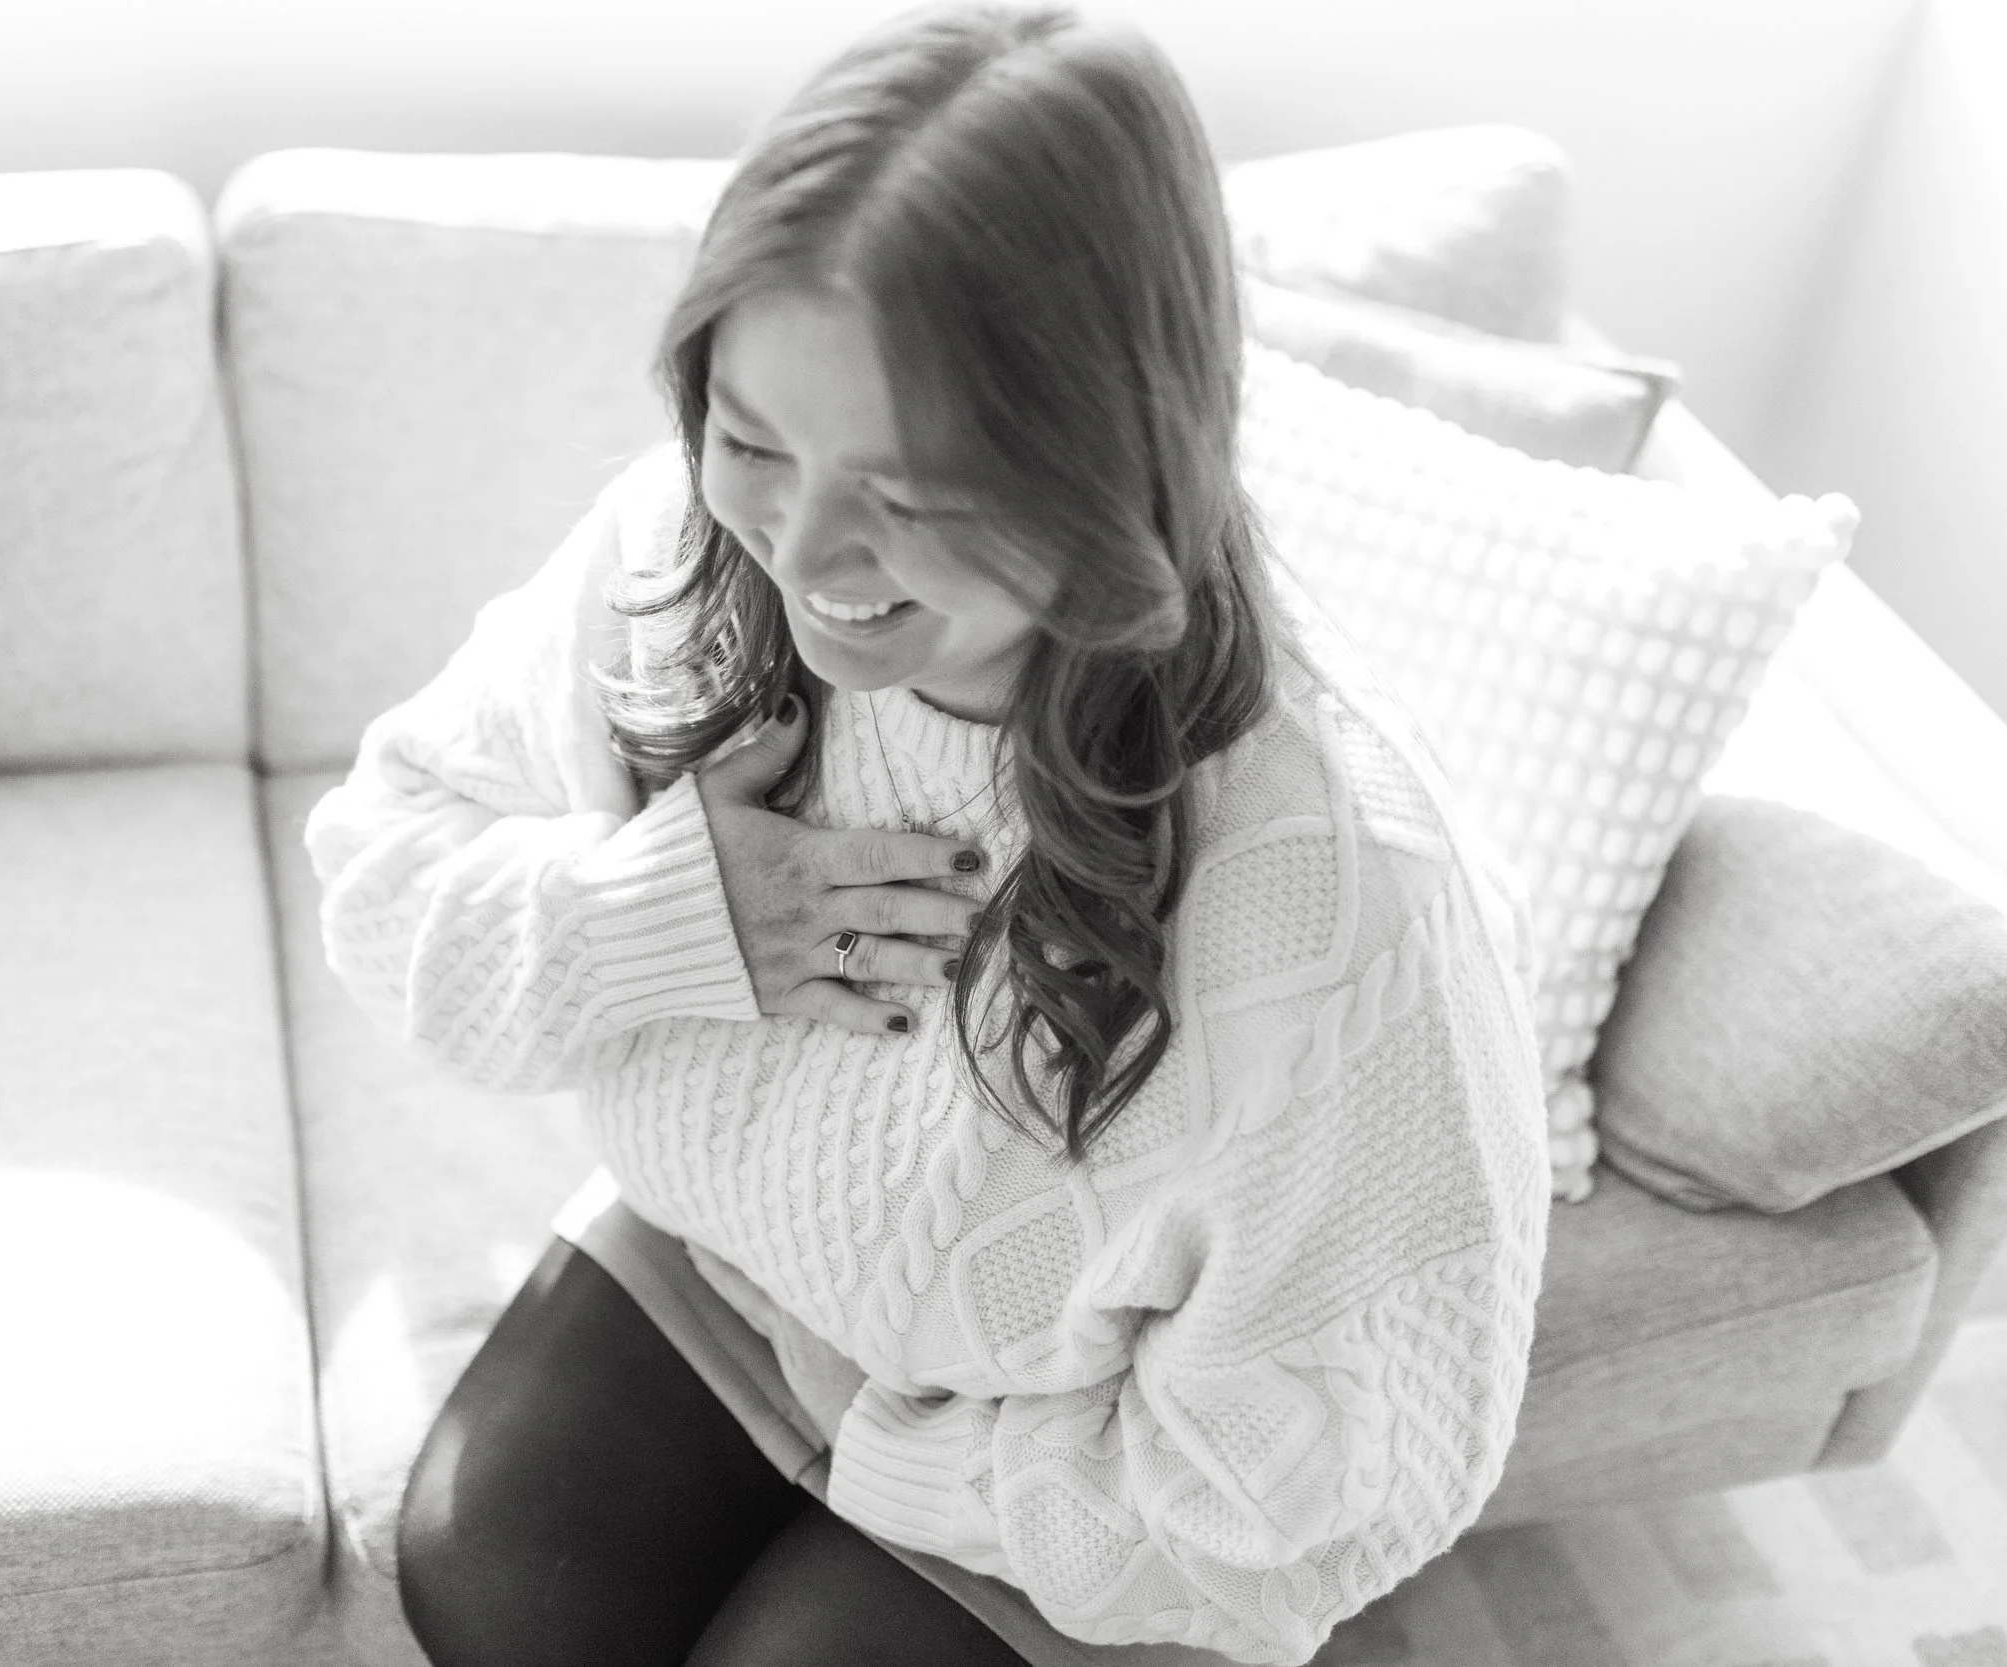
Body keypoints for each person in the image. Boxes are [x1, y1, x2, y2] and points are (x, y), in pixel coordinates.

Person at [304, 5, 1551, 1663]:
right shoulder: (678, 547)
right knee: (489, 1575)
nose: (806, 547)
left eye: (908, 490)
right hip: (743, 1268)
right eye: (753, 438)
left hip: (1058, 1438)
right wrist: (647, 916)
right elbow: (386, 870)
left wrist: (896, 1454)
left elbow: (1332, 1486)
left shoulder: (1336, 892)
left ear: (1106, 459)